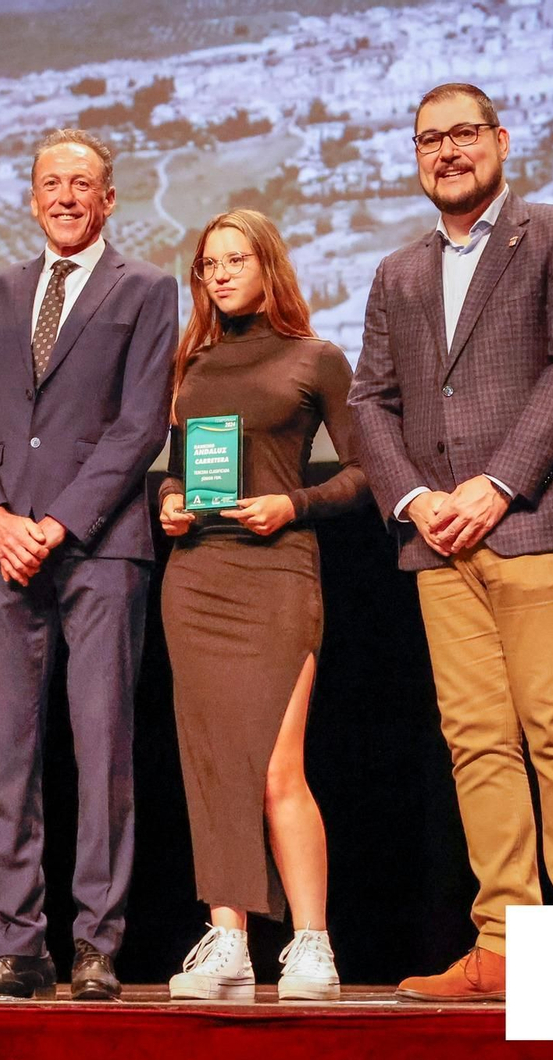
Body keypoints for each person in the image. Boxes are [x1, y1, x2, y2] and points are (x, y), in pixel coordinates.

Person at [348, 83, 553, 1002]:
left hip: (540, 520)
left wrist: (496, 484)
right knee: (475, 743)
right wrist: (417, 498)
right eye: (430, 139)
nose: (448, 151)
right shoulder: (398, 273)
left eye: (464, 134)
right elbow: (368, 403)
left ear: (501, 141)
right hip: (439, 542)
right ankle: (504, 944)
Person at [0, 128, 177, 1001]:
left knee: (103, 748)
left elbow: (141, 425)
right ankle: (17, 949)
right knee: (9, 756)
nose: (66, 197)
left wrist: (59, 522)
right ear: (32, 196)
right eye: (52, 183)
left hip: (100, 550)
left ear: (109, 198)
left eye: (83, 183)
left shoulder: (146, 289)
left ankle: (96, 946)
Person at [157, 209, 369, 1001]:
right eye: (208, 263)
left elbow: (366, 472)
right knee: (213, 768)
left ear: (267, 265)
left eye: (234, 258)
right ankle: (229, 940)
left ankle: (312, 943)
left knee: (279, 767)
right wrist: (172, 501)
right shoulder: (195, 365)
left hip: (278, 571)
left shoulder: (315, 359)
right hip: (198, 575)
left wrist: (294, 506)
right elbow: (177, 471)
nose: (219, 273)